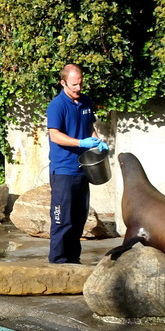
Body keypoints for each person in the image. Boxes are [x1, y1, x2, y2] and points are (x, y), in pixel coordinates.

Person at [46, 63, 108, 264]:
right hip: (64, 169)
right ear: (63, 82)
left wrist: (97, 142)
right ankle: (58, 261)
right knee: (62, 219)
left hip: (84, 168)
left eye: (80, 84)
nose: (78, 88)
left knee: (79, 217)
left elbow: (89, 127)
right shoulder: (57, 105)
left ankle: (73, 260)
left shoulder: (86, 102)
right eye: (74, 85)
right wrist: (80, 143)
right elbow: (55, 136)